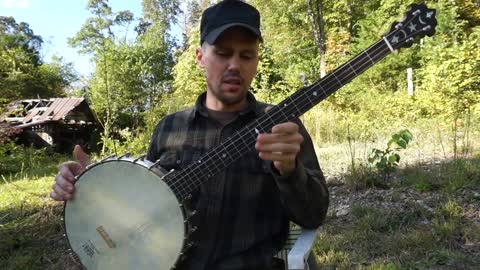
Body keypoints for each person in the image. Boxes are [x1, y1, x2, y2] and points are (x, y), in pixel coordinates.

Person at [51, 0, 329, 269]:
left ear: (256, 61)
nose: (235, 65)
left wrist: (289, 171)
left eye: (246, 55)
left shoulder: (281, 128)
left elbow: (313, 216)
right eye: (222, 52)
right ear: (200, 57)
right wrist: (91, 187)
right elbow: (143, 202)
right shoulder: (169, 128)